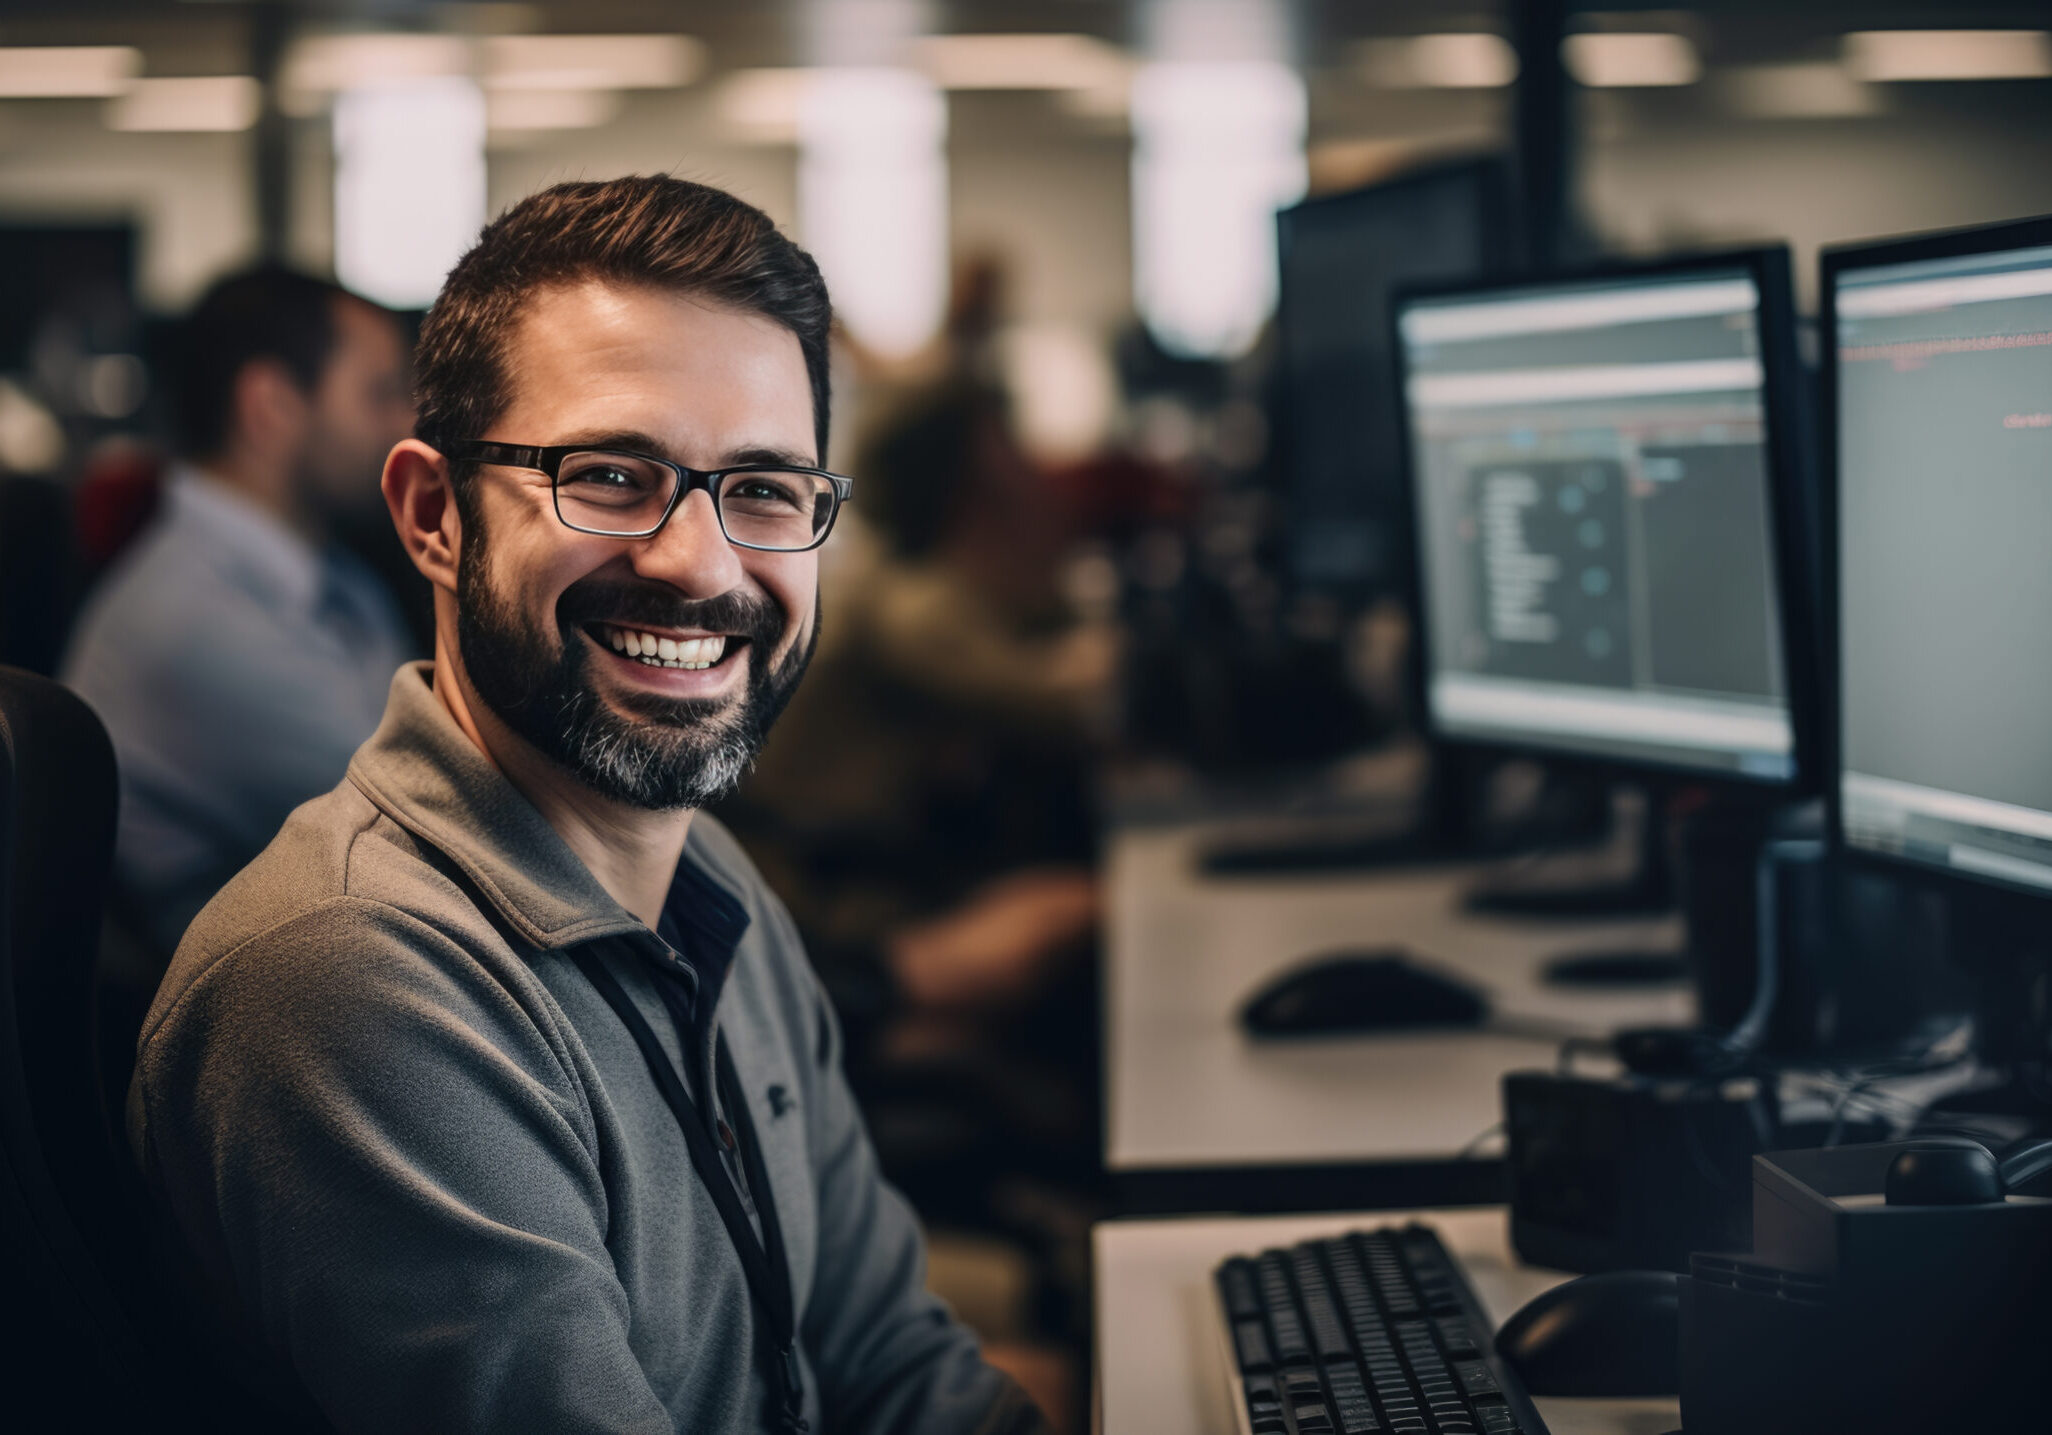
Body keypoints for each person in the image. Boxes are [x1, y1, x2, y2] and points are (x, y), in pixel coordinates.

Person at [128, 176, 1045, 1435]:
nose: (700, 562)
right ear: (435, 515)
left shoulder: (712, 885)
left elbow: (889, 1360)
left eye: (766, 490)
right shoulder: (351, 985)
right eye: (612, 475)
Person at [63, 266, 416, 952]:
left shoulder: (334, 572)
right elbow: (433, 824)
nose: (406, 422)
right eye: (380, 393)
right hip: (261, 1019)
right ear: (270, 406)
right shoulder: (192, 622)